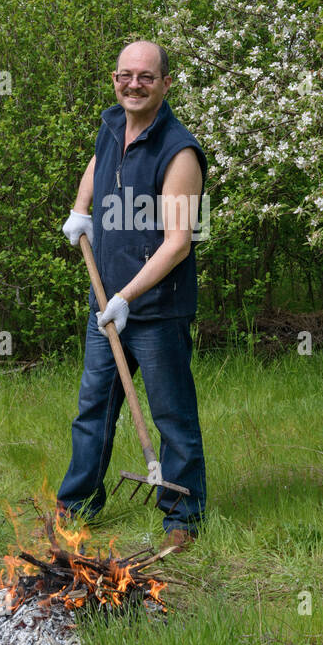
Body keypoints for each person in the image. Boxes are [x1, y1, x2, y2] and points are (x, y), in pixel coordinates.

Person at [59, 40, 207, 552]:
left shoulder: (179, 151)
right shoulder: (111, 126)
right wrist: (82, 209)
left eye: (146, 76)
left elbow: (178, 244)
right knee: (93, 410)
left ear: (166, 84)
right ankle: (75, 508)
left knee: (172, 417)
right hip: (108, 306)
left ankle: (183, 518)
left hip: (157, 309)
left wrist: (124, 297)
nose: (134, 84)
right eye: (126, 75)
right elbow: (99, 167)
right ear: (115, 79)